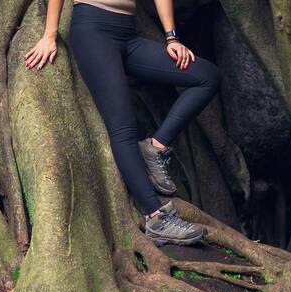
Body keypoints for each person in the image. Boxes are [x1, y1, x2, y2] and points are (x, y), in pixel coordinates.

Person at [22, 0, 219, 245]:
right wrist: (49, 35)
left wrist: (171, 38)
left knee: (206, 76)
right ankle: (156, 218)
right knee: (123, 126)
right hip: (93, 32)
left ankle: (155, 146)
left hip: (129, 35)